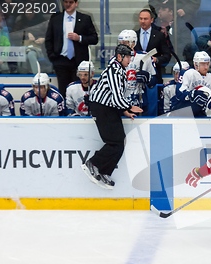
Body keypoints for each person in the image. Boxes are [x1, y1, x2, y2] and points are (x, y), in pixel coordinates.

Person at [81, 44, 143, 189]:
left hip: (109, 107)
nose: (129, 60)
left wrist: (124, 110)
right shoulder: (114, 71)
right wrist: (128, 106)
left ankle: (104, 171)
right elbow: (116, 99)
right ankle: (93, 163)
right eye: (127, 57)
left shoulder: (119, 70)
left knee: (120, 142)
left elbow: (116, 98)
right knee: (115, 142)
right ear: (120, 57)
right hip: (101, 108)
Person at [45, 0, 98, 99]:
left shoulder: (85, 18)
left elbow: (94, 38)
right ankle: (65, 112)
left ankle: (78, 112)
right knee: (63, 90)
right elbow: (49, 39)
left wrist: (80, 38)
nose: (68, 4)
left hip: (78, 61)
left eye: (71, 2)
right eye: (66, 2)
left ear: (76, 3)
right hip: (61, 60)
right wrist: (52, 56)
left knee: (78, 90)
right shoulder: (56, 18)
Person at [118, 29, 157, 116]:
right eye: (120, 43)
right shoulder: (115, 59)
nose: (121, 45)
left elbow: (153, 82)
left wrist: (148, 77)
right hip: (120, 103)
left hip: (140, 101)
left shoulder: (144, 57)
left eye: (125, 43)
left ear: (133, 43)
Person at [134, 9, 172, 84]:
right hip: (136, 78)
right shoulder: (134, 35)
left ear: (151, 20)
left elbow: (167, 55)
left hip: (155, 77)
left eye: (145, 19)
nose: (143, 21)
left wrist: (156, 59)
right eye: (141, 18)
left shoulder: (159, 35)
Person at [0, 6, 11, 74]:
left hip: (2, 61)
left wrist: (2, 58)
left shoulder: (4, 33)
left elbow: (7, 47)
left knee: (5, 69)